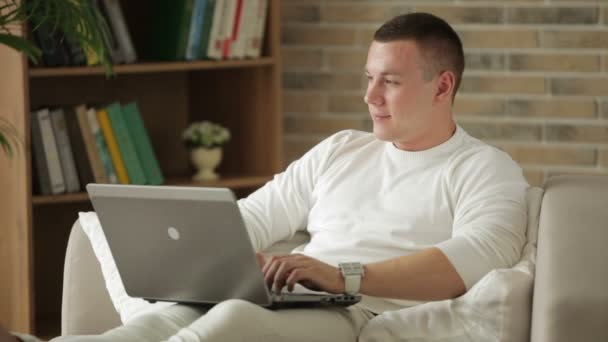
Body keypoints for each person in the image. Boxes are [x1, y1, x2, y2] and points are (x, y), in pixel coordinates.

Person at [54, 12, 528, 342]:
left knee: (230, 322)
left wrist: (342, 277)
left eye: (391, 81)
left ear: (442, 85)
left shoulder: (484, 168)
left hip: (353, 311)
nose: (370, 97)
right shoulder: (344, 148)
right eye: (368, 78)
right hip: (293, 299)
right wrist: (196, 252)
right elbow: (255, 216)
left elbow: (476, 258)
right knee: (163, 320)